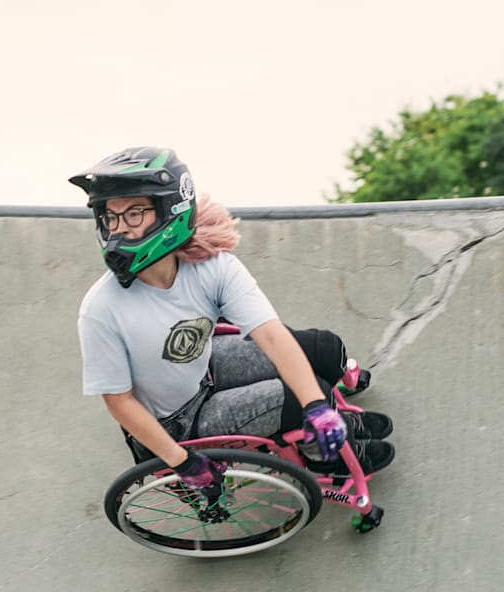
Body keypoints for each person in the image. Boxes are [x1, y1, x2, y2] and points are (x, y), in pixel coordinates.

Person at [71, 146, 394, 495]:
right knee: (291, 397)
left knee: (321, 350)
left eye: (134, 213)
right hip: (178, 424)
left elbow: (271, 335)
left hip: (205, 367)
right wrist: (183, 461)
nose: (120, 229)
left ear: (170, 210)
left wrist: (317, 406)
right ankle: (324, 458)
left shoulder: (211, 266)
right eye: (111, 216)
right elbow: (119, 402)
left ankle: (329, 415)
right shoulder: (101, 309)